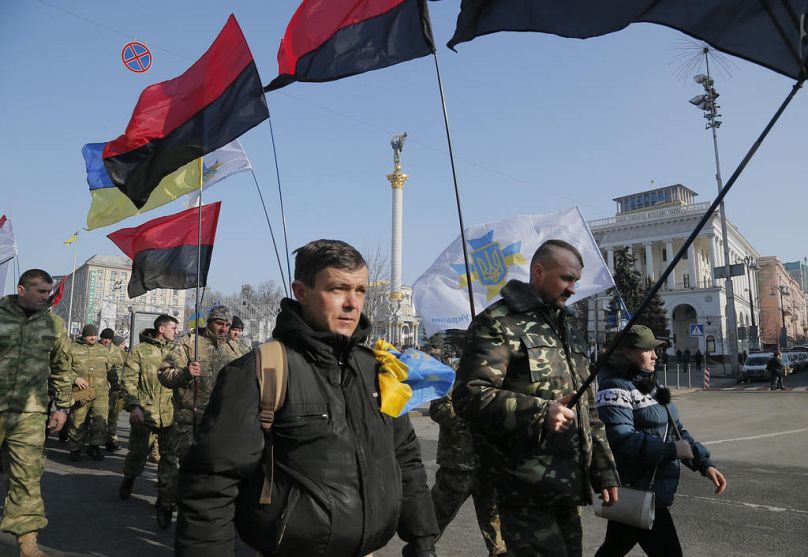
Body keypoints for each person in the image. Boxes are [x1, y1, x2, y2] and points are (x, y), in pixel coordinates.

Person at [174, 239, 439, 557]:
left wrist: (423, 536)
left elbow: (405, 457)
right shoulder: (261, 371)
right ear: (301, 291)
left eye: (360, 290)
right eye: (338, 289)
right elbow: (212, 483)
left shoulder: (376, 370)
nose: (353, 303)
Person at [454, 239, 619, 556]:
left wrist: (604, 470)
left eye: (576, 281)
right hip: (524, 485)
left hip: (567, 484)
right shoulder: (498, 322)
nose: (572, 289)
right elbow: (468, 395)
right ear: (539, 271)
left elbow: (588, 408)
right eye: (567, 278)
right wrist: (539, 411)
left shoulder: (566, 327)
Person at [594, 325, 728, 556]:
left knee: (613, 548)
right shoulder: (614, 388)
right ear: (627, 352)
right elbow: (620, 440)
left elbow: (677, 431)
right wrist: (670, 450)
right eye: (648, 350)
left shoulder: (650, 385)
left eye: (655, 350)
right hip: (638, 487)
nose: (656, 355)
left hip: (650, 488)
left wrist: (704, 464)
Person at [0, 269, 73, 556]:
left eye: (49, 291)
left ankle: (27, 539)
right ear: (21, 289)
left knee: (27, 475)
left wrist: (62, 407)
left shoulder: (54, 325)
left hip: (30, 413)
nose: (47, 296)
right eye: (41, 291)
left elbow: (62, 368)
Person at [157, 305, 240, 529]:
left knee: (210, 471)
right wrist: (185, 373)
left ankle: (196, 516)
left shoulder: (234, 349)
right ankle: (166, 502)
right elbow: (164, 374)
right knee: (183, 469)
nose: (223, 329)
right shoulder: (188, 343)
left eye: (226, 325)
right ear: (209, 322)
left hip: (219, 423)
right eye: (219, 324)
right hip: (188, 419)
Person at [429, 394, 506, 556]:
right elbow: (439, 408)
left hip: (491, 465)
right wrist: (473, 426)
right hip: (458, 465)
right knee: (432, 521)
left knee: (498, 529)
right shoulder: (453, 369)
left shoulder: (499, 370)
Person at [119, 316, 179, 508]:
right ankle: (129, 477)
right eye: (173, 328)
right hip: (145, 412)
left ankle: (164, 496)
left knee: (169, 457)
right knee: (138, 453)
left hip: (170, 413)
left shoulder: (176, 353)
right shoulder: (140, 351)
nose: (176, 331)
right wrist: (134, 406)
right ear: (161, 329)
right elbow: (128, 381)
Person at [66, 323, 113, 462]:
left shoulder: (103, 350)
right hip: (81, 391)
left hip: (100, 392)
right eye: (89, 335)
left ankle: (95, 447)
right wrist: (75, 379)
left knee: (100, 419)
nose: (93, 338)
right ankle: (75, 448)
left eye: (94, 335)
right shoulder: (72, 348)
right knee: (77, 419)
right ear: (83, 335)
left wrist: (113, 386)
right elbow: (62, 368)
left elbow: (110, 369)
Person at [99, 328, 125, 452]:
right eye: (105, 338)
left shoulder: (115, 351)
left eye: (109, 339)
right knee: (94, 415)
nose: (107, 341)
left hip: (113, 387)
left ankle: (111, 440)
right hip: (95, 386)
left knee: (112, 415)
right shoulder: (94, 348)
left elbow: (119, 368)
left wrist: (118, 384)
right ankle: (91, 442)